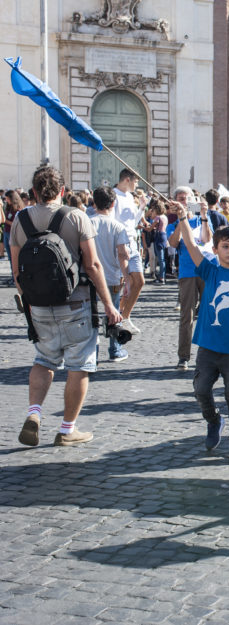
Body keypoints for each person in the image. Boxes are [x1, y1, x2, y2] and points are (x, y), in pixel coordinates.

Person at [13, 166, 122, 447]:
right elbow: (93, 264)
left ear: (34, 192)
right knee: (80, 366)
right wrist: (109, 304)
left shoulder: (21, 219)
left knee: (43, 360)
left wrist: (32, 301)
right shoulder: (76, 217)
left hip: (38, 306)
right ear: (62, 191)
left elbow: (17, 272)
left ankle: (34, 413)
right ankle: (66, 429)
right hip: (76, 304)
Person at [172, 200, 229, 458]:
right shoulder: (210, 270)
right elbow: (190, 245)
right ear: (216, 249)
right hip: (208, 346)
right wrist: (183, 219)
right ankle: (214, 420)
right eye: (225, 246)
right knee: (200, 390)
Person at [168, 186, 211, 371]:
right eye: (180, 199)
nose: (184, 202)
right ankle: (183, 357)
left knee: (210, 313)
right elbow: (172, 243)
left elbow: (208, 239)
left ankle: (210, 354)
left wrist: (203, 215)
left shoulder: (202, 219)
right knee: (187, 316)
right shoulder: (173, 223)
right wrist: (181, 219)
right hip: (187, 272)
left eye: (186, 198)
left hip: (206, 270)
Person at [89, 187, 132, 362]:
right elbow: (122, 254)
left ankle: (92, 352)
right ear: (113, 204)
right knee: (113, 313)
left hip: (90, 277)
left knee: (91, 315)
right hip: (112, 276)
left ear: (93, 204)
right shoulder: (117, 226)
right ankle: (115, 349)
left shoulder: (86, 222)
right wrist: (128, 279)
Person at [112, 168, 145, 335]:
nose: (137, 185)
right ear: (127, 179)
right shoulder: (114, 195)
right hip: (121, 244)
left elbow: (133, 222)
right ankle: (115, 317)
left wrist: (142, 209)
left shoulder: (131, 198)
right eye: (136, 181)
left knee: (139, 282)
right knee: (123, 284)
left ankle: (125, 316)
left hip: (133, 242)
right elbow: (112, 221)